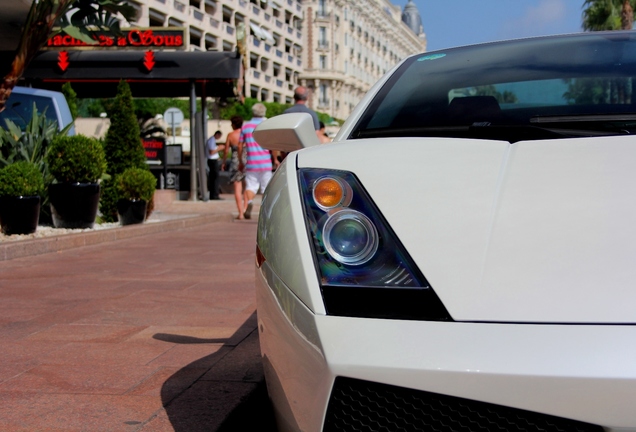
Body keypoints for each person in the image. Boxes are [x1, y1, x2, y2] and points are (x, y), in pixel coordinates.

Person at [238, 103, 279, 220]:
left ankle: (250, 202)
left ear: (253, 112)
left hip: (251, 163)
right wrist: (275, 159)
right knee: (266, 187)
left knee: (250, 186)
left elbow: (240, 146)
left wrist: (241, 161)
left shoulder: (246, 127)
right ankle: (265, 210)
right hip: (265, 163)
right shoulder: (268, 125)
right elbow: (274, 145)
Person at [222, 115, 247, 219]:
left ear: (233, 124)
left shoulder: (230, 135)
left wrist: (223, 162)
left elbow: (226, 150)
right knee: (247, 187)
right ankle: (245, 208)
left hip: (235, 161)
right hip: (246, 160)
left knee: (237, 188)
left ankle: (240, 213)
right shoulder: (245, 134)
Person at [205, 130, 223, 200]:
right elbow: (212, 152)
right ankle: (214, 195)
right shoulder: (211, 140)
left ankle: (214, 194)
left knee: (214, 178)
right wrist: (219, 148)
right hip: (212, 161)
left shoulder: (212, 140)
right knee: (215, 178)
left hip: (213, 160)